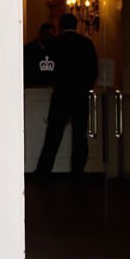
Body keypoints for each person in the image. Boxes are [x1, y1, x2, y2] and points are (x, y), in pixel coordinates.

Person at [35, 13, 98, 176]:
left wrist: (54, 82)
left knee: (53, 135)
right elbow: (93, 70)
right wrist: (85, 87)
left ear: (61, 26)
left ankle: (43, 170)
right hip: (80, 94)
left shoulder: (54, 44)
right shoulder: (86, 44)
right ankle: (78, 170)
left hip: (61, 94)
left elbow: (47, 69)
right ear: (76, 25)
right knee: (80, 135)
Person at [24, 22, 57, 87]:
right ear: (40, 34)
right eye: (46, 35)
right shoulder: (28, 49)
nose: (48, 38)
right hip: (33, 87)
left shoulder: (55, 49)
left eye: (51, 36)